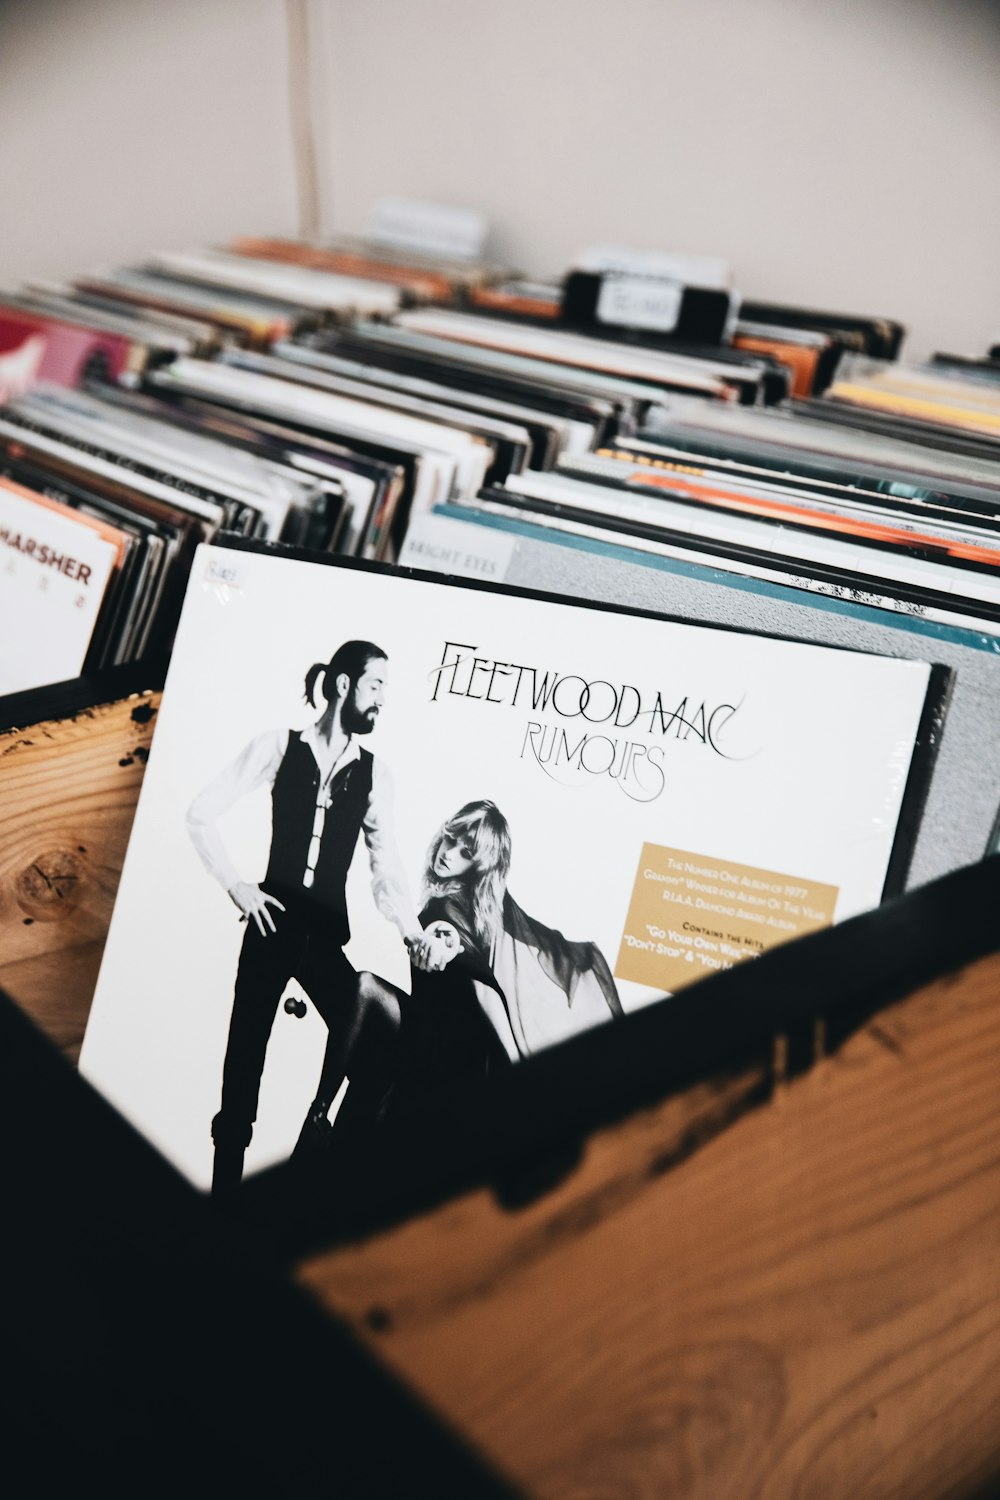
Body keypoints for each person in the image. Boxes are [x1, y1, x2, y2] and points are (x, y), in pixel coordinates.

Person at [186, 639, 433, 1199]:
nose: (381, 701)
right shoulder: (278, 746)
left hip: (321, 936)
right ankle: (224, 1203)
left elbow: (384, 865)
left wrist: (410, 932)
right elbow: (201, 812)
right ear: (344, 685)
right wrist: (236, 884)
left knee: (371, 1044)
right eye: (376, 687)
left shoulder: (376, 775)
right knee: (243, 1061)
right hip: (270, 926)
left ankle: (323, 1165)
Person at [319, 799, 624, 1140]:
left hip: (446, 1053)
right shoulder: (479, 907)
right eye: (451, 840)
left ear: (478, 866)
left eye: (466, 853)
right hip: (447, 1044)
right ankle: (321, 1115)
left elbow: (451, 940)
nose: (449, 853)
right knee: (366, 1008)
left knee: (365, 987)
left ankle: (318, 1113)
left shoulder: (447, 906)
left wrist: (444, 945)